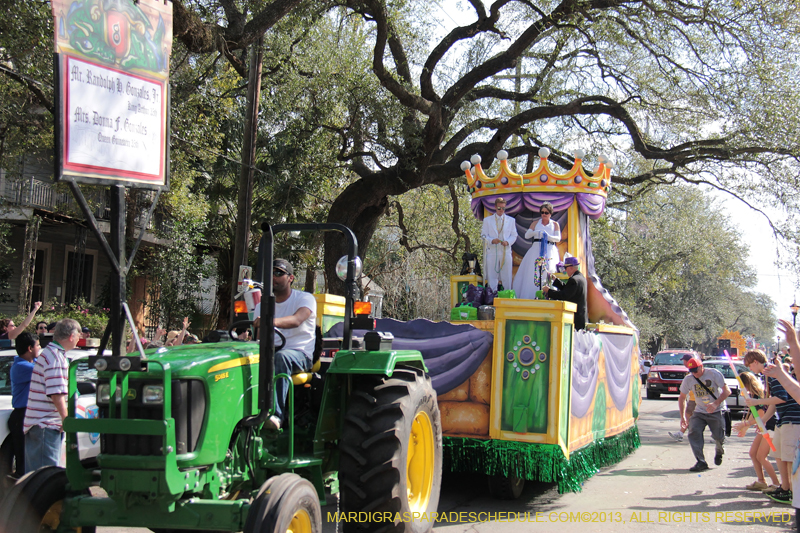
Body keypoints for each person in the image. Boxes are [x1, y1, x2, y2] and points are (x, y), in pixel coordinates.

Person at [253, 259, 317, 430]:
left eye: (279, 273)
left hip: (299, 355)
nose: (273, 277)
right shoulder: (262, 306)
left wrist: (269, 321)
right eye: (271, 273)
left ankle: (275, 415)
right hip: (270, 354)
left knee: (281, 357)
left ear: (290, 278)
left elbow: (297, 320)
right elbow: (259, 339)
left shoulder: (305, 299)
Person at [745, 342, 800, 505]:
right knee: (779, 456)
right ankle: (785, 488)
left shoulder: (770, 372)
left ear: (755, 362)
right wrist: (762, 421)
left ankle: (790, 490)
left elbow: (782, 398)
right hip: (783, 419)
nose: (750, 370)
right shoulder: (767, 374)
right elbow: (774, 404)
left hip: (792, 418)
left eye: (749, 366)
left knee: (788, 457)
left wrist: (757, 402)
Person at [23, 318, 81, 472]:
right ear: (71, 336)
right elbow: (56, 393)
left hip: (42, 425)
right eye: (78, 335)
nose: (79, 339)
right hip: (45, 425)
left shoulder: (51, 353)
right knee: (44, 479)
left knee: (38, 479)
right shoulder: (55, 357)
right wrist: (66, 419)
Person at [677, 357, 730, 472]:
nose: (694, 374)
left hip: (716, 410)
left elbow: (727, 391)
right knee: (693, 432)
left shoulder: (713, 374)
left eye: (696, 371)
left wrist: (715, 404)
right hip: (700, 411)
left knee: (719, 436)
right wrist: (682, 417)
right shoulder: (689, 379)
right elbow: (681, 398)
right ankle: (701, 461)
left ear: (701, 367)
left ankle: (719, 451)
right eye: (692, 371)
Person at [735, 371, 780, 492]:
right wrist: (745, 428)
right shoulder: (754, 396)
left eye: (741, 386)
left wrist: (745, 425)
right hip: (764, 428)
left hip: (770, 427)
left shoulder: (758, 396)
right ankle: (761, 481)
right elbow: (753, 414)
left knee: (761, 456)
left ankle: (776, 483)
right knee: (753, 453)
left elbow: (759, 414)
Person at [512, 201, 561, 299]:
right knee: (532, 272)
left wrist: (547, 236)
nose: (544, 215)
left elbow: (558, 238)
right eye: (542, 212)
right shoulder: (535, 223)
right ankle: (530, 296)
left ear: (550, 214)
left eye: (546, 213)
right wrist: (537, 233)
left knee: (548, 272)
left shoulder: (555, 224)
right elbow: (527, 235)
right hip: (536, 248)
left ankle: (549, 294)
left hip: (549, 249)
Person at [9, 332, 40, 478]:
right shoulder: (23, 367)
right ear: (29, 348)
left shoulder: (29, 364)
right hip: (21, 415)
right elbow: (45, 370)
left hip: (27, 414)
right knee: (23, 463)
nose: (39, 349)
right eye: (38, 345)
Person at [480, 197, 517, 291]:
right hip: (492, 251)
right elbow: (483, 235)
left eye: (503, 208)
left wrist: (508, 242)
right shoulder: (487, 220)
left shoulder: (511, 220)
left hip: (505, 251)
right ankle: (492, 296)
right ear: (495, 207)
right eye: (499, 208)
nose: (501, 210)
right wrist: (492, 240)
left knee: (507, 276)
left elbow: (514, 235)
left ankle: (507, 296)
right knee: (492, 276)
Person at [543, 256, 587, 330]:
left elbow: (564, 295)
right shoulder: (580, 278)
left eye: (565, 268)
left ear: (570, 268)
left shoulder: (574, 280)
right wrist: (556, 281)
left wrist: (549, 291)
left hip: (575, 319)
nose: (565, 271)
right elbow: (568, 290)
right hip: (580, 317)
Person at [669, 353, 698, 442]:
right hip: (694, 397)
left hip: (694, 398)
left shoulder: (691, 372)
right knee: (690, 417)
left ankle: (682, 434)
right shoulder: (694, 370)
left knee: (688, 417)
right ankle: (682, 433)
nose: (683, 363)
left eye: (684, 361)